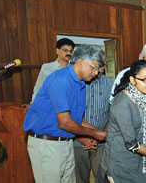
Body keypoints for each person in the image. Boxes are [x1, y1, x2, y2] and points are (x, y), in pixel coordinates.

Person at [23, 45, 106, 183]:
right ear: (80, 62)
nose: (96, 73)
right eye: (94, 67)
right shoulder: (60, 80)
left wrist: (99, 132)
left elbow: (77, 119)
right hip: (47, 144)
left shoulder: (80, 84)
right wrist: (93, 133)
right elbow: (65, 122)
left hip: (65, 144)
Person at [73, 49, 113, 183]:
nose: (99, 70)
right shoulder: (76, 83)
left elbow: (113, 112)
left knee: (102, 178)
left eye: (102, 66)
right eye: (96, 66)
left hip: (101, 144)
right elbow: (69, 116)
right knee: (79, 179)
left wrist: (103, 135)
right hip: (77, 143)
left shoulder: (109, 84)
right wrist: (81, 137)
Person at [31, 38, 75, 102]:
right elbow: (38, 88)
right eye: (65, 50)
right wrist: (33, 103)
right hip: (50, 103)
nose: (69, 53)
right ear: (57, 51)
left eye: (71, 51)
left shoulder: (74, 68)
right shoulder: (47, 67)